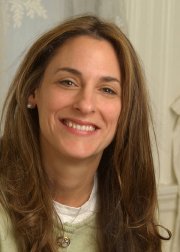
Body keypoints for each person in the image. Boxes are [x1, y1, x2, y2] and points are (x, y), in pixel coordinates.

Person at [0, 15, 171, 252]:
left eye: (107, 90)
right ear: (33, 91)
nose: (86, 104)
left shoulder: (134, 213)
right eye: (68, 82)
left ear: (126, 111)